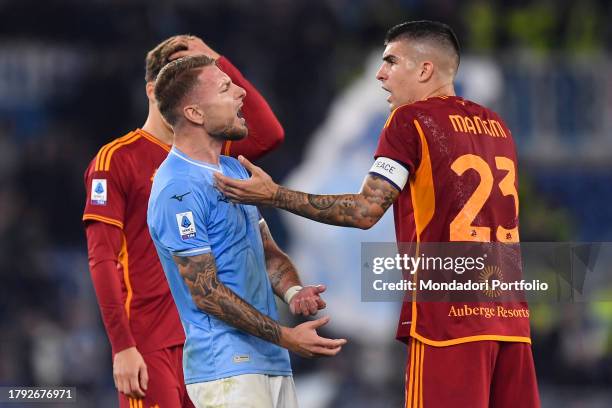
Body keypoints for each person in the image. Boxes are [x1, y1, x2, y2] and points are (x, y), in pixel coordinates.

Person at [214, 20, 540, 408]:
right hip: (509, 319)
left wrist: (274, 194)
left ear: (424, 70)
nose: (380, 75)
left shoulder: (409, 121)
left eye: (391, 62)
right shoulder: (496, 127)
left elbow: (365, 211)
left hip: (448, 322)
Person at [82, 35, 310, 408]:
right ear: (156, 89)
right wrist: (122, 346)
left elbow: (270, 134)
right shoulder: (116, 160)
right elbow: (102, 259)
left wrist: (215, 59)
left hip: (211, 339)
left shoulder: (214, 159)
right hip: (152, 340)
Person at [147, 55, 346, 408]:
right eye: (226, 88)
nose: (241, 93)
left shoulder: (235, 171)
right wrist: (286, 336)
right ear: (194, 113)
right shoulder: (176, 188)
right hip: (225, 368)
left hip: (271, 362)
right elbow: (206, 292)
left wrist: (293, 291)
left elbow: (265, 252)